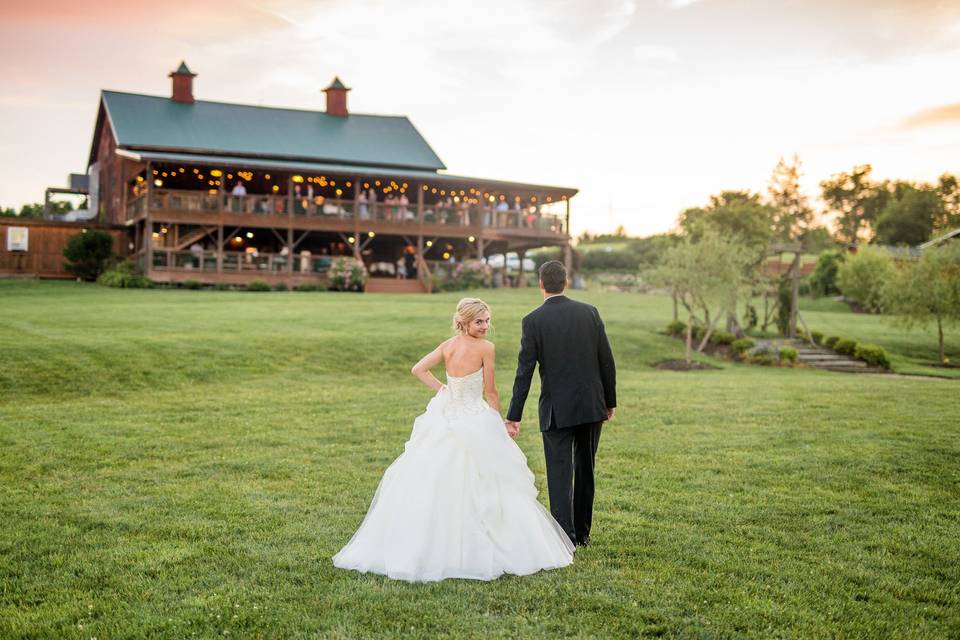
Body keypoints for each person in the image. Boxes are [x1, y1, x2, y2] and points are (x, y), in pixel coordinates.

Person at [333, 298, 574, 582]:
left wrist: (444, 390)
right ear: (464, 322)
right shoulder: (486, 349)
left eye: (487, 320)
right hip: (473, 417)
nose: (485, 326)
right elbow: (491, 392)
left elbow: (418, 369)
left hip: (447, 415)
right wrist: (498, 424)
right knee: (483, 478)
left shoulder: (448, 345)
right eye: (479, 322)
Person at [505, 260, 616, 548]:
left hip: (557, 409)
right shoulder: (590, 313)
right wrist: (610, 401)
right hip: (592, 405)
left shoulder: (533, 321)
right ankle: (583, 534)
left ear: (540, 284)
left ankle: (564, 536)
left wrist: (513, 415)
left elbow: (524, 372)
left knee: (559, 472)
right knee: (585, 469)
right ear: (565, 282)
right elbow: (607, 361)